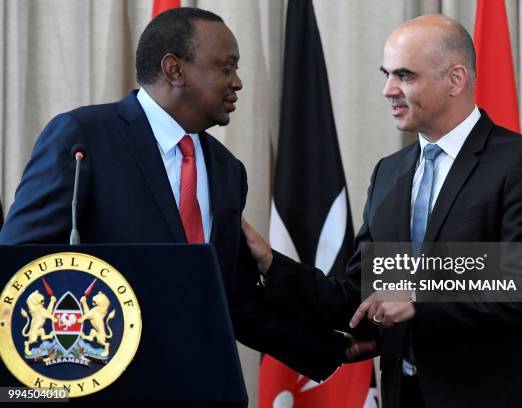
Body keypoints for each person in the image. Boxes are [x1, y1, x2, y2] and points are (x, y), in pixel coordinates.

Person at [0, 7, 349, 383]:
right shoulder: (84, 139)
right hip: (107, 385)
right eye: (226, 68)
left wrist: (329, 349)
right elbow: (22, 266)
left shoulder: (228, 170)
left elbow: (235, 300)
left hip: (205, 387)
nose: (238, 82)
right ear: (174, 69)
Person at [243, 13, 522, 408]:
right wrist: (271, 264)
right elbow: (358, 294)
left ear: (456, 79)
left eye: (405, 76)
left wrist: (419, 294)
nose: (387, 89)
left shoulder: (520, 163)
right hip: (404, 396)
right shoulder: (390, 173)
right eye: (386, 74)